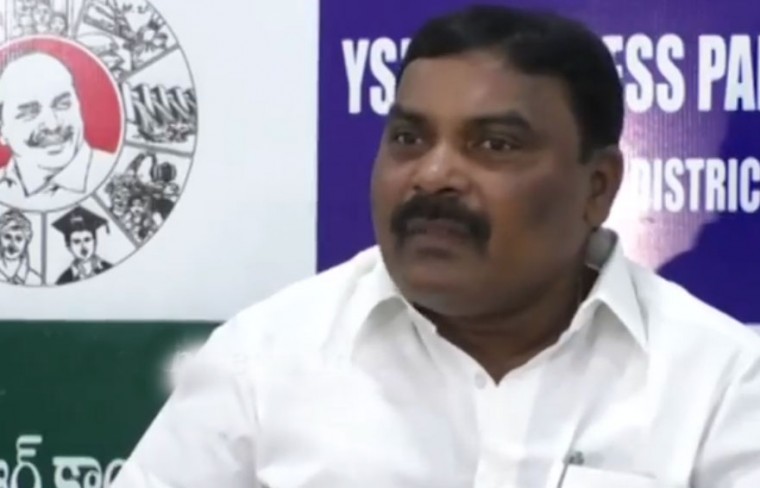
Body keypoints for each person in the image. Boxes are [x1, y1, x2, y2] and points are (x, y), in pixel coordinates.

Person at [112, 5, 760, 488]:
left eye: (494, 145)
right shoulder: (262, 363)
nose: (433, 174)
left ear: (597, 187)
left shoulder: (721, 383)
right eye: (409, 139)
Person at [0, 51, 115, 211]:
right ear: (2, 130)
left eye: (62, 105)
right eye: (29, 113)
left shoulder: (118, 173)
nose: (52, 125)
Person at [52, 205, 112, 284]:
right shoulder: (64, 280)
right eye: (77, 241)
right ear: (69, 247)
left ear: (95, 242)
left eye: (87, 240)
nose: (83, 246)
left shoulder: (110, 269)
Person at [0, 207, 41, 285]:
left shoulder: (35, 280)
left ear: (27, 241)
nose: (12, 244)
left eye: (18, 239)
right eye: (7, 237)